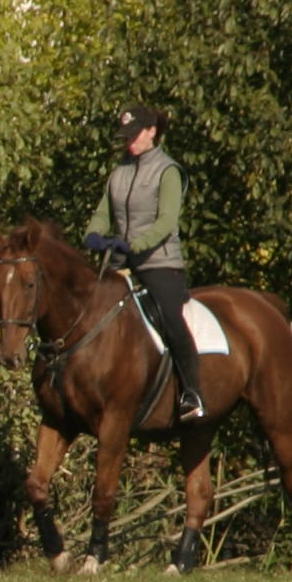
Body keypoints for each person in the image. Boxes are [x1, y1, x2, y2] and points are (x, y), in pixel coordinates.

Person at [83, 105, 206, 422]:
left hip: (159, 263)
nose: (129, 143)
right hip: (122, 261)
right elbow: (102, 212)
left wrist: (134, 245)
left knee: (170, 316)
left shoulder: (168, 172)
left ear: (152, 131)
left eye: (134, 136)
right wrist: (94, 234)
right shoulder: (119, 172)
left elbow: (166, 222)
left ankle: (191, 392)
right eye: (125, 137)